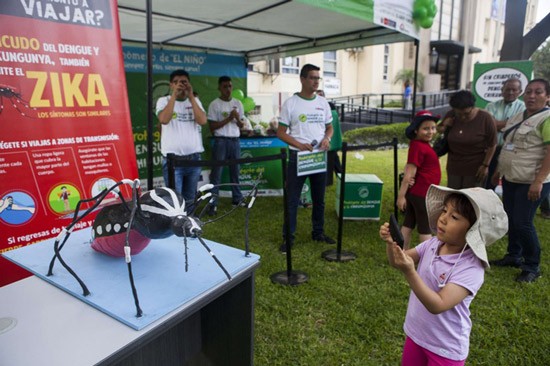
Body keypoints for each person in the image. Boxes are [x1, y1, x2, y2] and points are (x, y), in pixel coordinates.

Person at [380, 185, 508, 365]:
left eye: (454, 217)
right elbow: (397, 261)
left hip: (445, 348)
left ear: (473, 230)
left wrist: (410, 271)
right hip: (417, 334)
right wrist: (390, 243)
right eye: (444, 210)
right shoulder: (432, 244)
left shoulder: (471, 268)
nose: (443, 219)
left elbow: (438, 304)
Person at [490, 78, 550, 283]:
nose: (532, 96)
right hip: (511, 177)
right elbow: (509, 144)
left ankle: (532, 265)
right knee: (510, 217)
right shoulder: (518, 116)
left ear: (547, 96)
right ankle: (513, 255)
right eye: (529, 91)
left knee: (523, 222)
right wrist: (499, 170)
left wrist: (539, 181)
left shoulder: (546, 119)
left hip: (531, 180)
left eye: (538, 92)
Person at [277, 64, 335, 252]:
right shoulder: (291, 103)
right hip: (298, 158)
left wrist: (327, 138)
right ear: (302, 79)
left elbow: (330, 127)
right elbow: (280, 132)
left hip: (319, 157)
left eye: (318, 78)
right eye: (312, 77)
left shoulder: (323, 103)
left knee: (319, 199)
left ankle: (318, 232)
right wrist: (298, 144)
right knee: (292, 200)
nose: (316, 81)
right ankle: (288, 238)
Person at [156, 69, 207, 211]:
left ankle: (188, 226)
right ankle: (176, 228)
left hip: (194, 159)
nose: (180, 85)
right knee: (174, 198)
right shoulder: (163, 101)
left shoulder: (194, 100)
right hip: (173, 161)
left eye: (184, 82)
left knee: (190, 196)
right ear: (171, 85)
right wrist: (174, 96)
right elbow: (164, 120)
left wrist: (191, 97)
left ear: (189, 84)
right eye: (176, 82)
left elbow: (202, 120)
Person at [398, 110, 441, 250]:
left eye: (433, 128)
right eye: (425, 128)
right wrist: (401, 196)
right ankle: (426, 257)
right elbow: (409, 171)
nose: (430, 132)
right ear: (416, 130)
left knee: (409, 223)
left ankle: (401, 252)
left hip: (420, 191)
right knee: (425, 227)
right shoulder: (418, 146)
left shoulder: (422, 144)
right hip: (421, 193)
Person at [437, 90, 497, 189]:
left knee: (471, 199)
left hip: (476, 167)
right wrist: (444, 125)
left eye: (466, 113)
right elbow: (439, 129)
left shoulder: (485, 117)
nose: (462, 117)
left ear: (473, 107)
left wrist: (485, 165)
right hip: (454, 165)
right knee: (455, 197)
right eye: (459, 114)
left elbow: (492, 144)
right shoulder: (451, 114)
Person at [207, 76, 245, 216]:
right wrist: (229, 118)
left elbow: (242, 125)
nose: (228, 89)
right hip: (221, 141)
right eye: (225, 86)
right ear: (219, 88)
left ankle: (237, 199)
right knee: (217, 173)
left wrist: (236, 118)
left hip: (235, 141)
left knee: (235, 172)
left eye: (230, 86)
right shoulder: (214, 104)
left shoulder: (238, 103)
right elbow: (212, 127)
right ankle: (213, 203)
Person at [484, 78, 525, 190]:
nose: (510, 92)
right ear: (502, 90)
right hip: (492, 148)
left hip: (512, 150)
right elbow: (489, 126)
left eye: (514, 89)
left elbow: (518, 126)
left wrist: (497, 123)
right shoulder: (491, 106)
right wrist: (509, 122)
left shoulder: (524, 107)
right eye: (507, 89)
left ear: (520, 91)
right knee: (488, 179)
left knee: (509, 180)